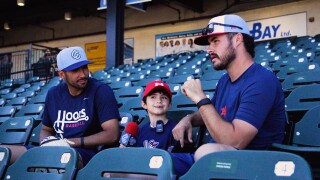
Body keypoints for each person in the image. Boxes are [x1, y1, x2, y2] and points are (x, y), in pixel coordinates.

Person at [171, 14, 286, 175]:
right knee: (149, 163)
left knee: (205, 152)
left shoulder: (261, 80)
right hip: (212, 162)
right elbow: (213, 112)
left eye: (215, 41)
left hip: (250, 167)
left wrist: (200, 98)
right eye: (209, 43)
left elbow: (235, 141)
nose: (209, 49)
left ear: (238, 39)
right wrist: (188, 119)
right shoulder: (225, 80)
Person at [1, 46, 120, 168]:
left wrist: (68, 143)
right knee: (2, 153)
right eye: (75, 70)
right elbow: (46, 129)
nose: (83, 74)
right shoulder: (54, 94)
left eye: (84, 67)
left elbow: (112, 134)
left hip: (85, 153)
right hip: (54, 150)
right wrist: (46, 143)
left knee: (56, 160)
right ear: (62, 74)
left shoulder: (101, 90)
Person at [135, 80, 178, 150]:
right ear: (144, 104)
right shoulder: (140, 131)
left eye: (164, 97)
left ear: (169, 104)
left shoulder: (176, 129)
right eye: (153, 97)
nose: (159, 101)